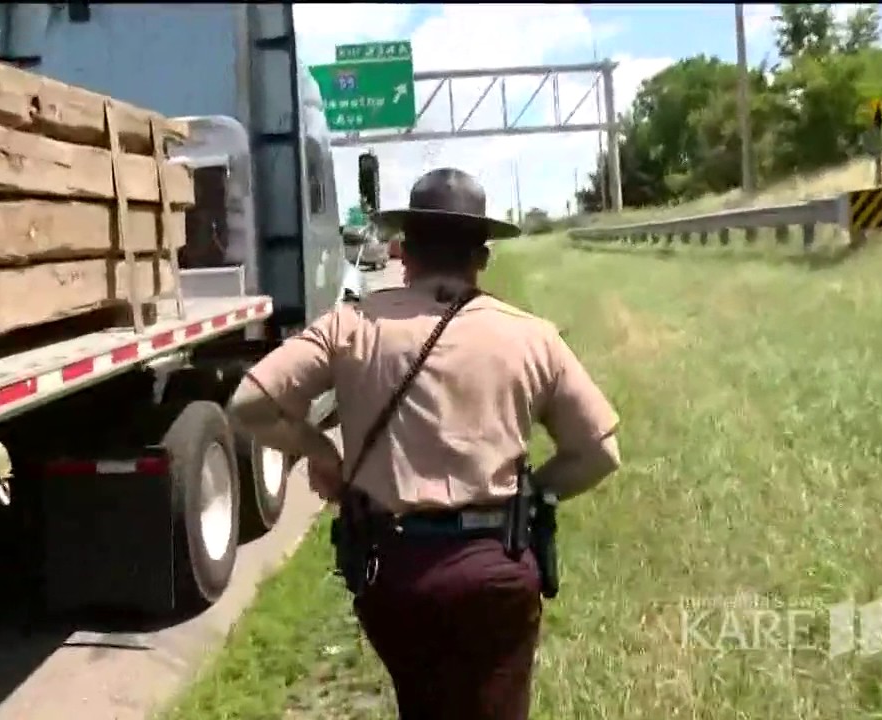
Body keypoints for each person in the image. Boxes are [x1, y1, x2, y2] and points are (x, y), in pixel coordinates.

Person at [226, 168, 621, 719]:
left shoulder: (349, 327)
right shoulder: (533, 336)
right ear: (482, 258)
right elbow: (600, 452)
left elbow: (249, 404)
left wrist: (322, 454)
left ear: (404, 253)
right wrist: (530, 494)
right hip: (497, 568)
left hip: (396, 571)